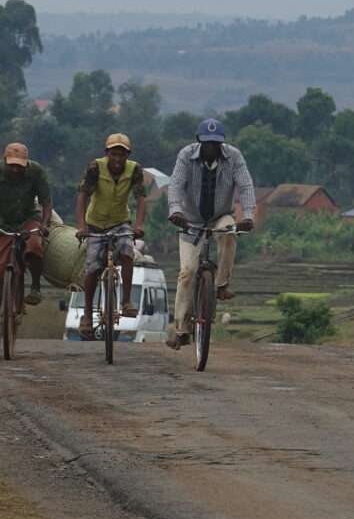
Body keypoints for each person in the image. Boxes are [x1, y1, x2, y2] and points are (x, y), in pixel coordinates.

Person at [166, 118, 255, 349]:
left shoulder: (234, 156)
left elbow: (245, 186)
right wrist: (175, 211)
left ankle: (221, 284)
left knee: (228, 231)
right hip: (190, 221)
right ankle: (181, 330)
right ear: (199, 142)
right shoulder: (186, 155)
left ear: (221, 145)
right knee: (187, 273)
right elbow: (175, 185)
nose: (211, 149)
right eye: (207, 144)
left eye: (216, 144)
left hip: (219, 215)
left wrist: (247, 216)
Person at [0, 141, 53, 349]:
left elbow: (46, 203)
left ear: (26, 163)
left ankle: (35, 285)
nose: (15, 169)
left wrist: (45, 224)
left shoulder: (36, 172)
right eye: (12, 165)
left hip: (29, 219)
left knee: (35, 246)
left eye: (19, 165)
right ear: (5, 161)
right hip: (3, 223)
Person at [75, 133, 148, 340]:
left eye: (122, 155)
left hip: (120, 222)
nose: (117, 159)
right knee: (92, 267)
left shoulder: (134, 169)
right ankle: (88, 314)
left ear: (128, 155)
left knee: (127, 252)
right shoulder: (95, 168)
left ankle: (126, 301)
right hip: (95, 223)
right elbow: (83, 196)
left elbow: (141, 198)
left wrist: (139, 225)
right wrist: (81, 226)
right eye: (114, 154)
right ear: (107, 153)